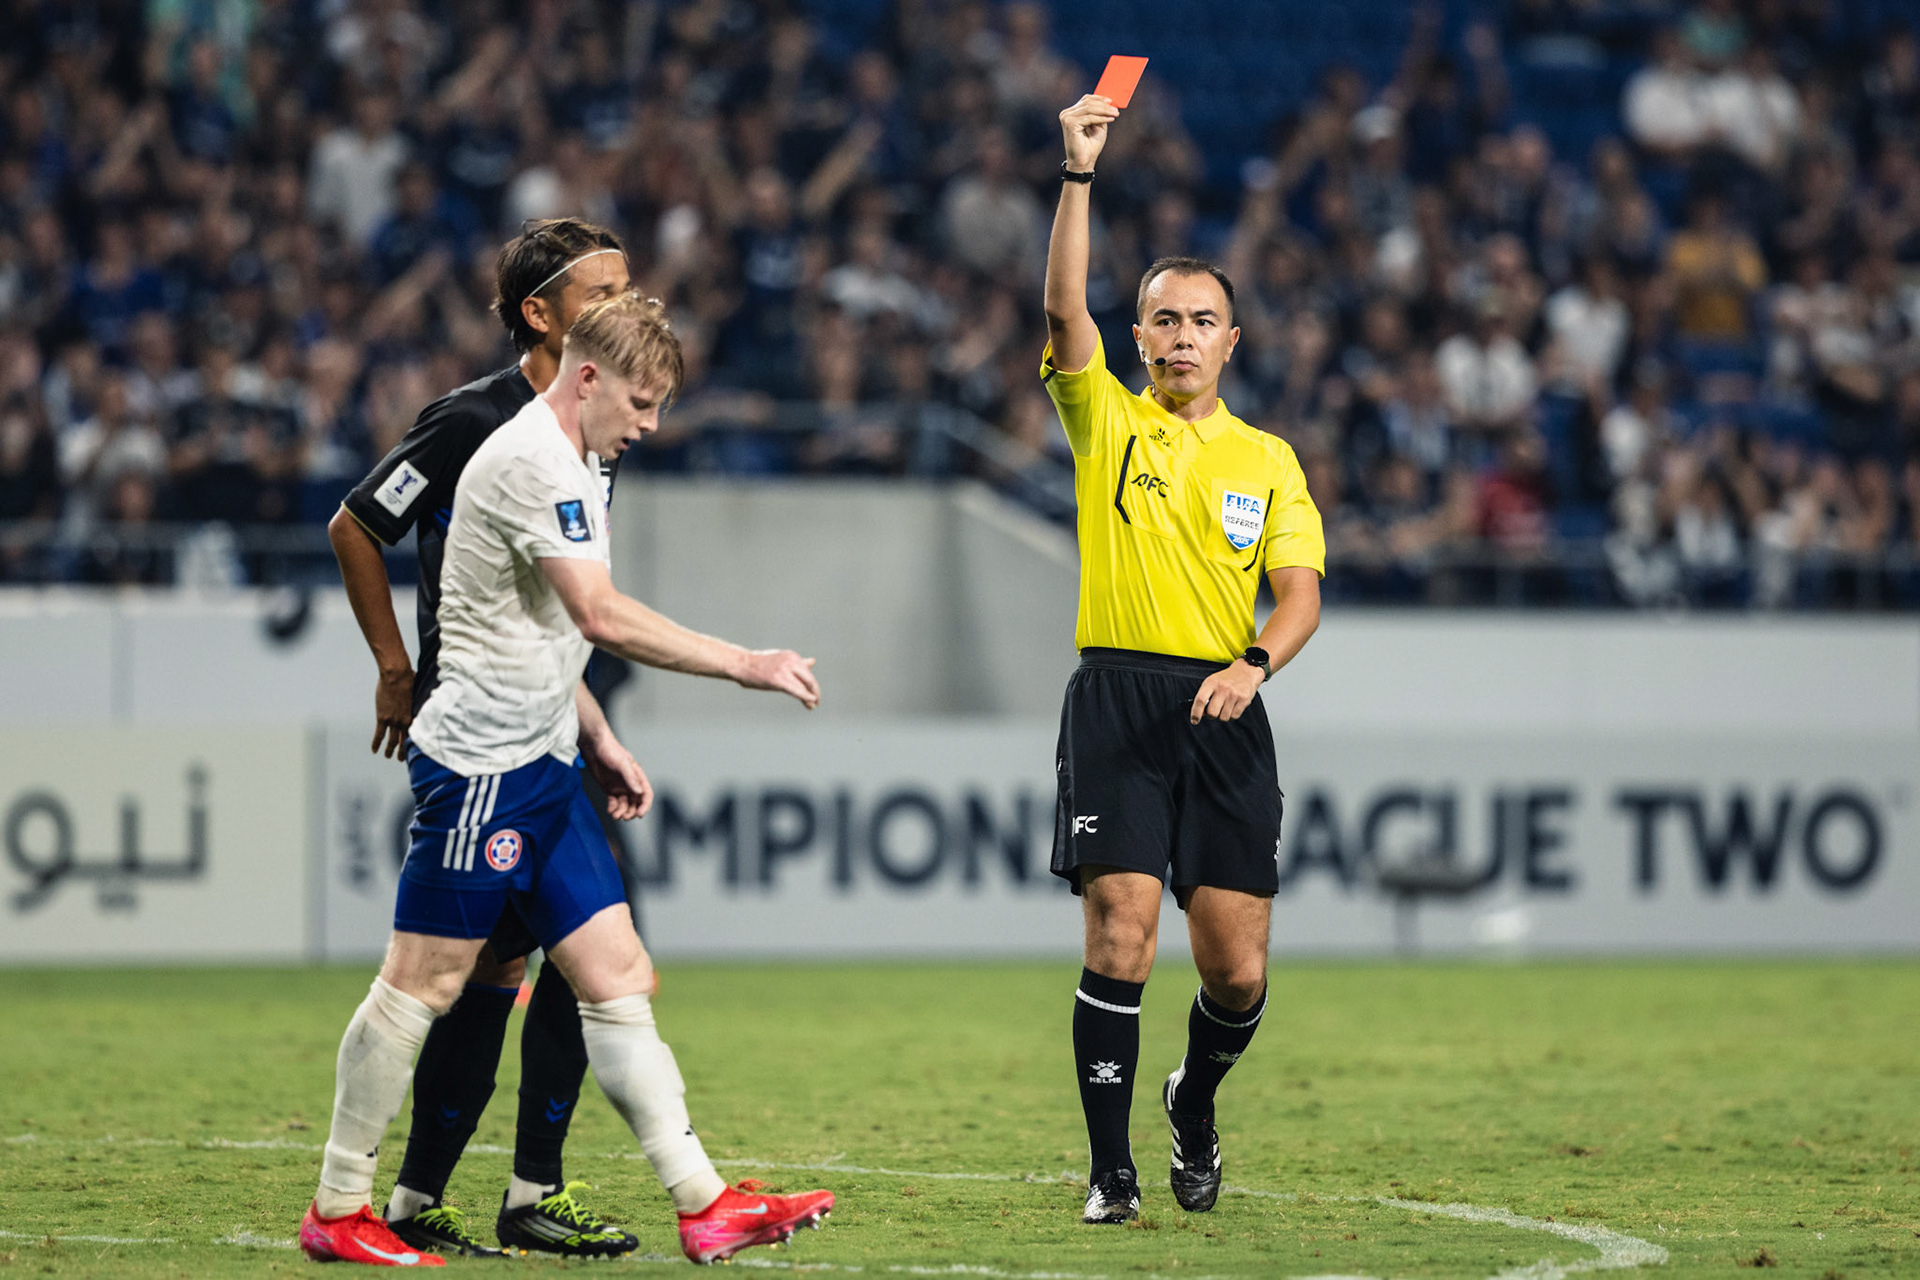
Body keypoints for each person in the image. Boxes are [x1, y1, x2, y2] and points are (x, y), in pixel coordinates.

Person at [300, 292, 835, 1267]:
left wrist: (598, 734)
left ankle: (703, 1201)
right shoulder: (529, 460)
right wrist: (745, 661)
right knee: (425, 980)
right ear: (585, 377)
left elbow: (543, 626)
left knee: (618, 973)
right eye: (642, 400)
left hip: (547, 760)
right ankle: (340, 1203)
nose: (652, 423)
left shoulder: (577, 456)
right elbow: (598, 614)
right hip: (480, 769)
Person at [328, 218, 642, 1258]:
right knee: (505, 964)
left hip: (554, 725)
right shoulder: (476, 423)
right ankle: (444, 1193)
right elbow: (358, 523)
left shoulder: (594, 413)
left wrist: (591, 717)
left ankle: (465, 1192)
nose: (627, 302)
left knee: (539, 961)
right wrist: (392, 666)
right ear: (541, 313)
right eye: (604, 289)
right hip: (484, 736)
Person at [1042, 94, 1326, 1225]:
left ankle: (1192, 1101)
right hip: (1117, 696)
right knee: (1121, 925)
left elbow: (1301, 593)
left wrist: (1256, 662)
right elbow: (1065, 303)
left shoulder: (1268, 457)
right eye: (1161, 319)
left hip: (1224, 700)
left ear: (1229, 341)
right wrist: (1078, 178)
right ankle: (1111, 1173)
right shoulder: (1106, 419)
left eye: (1200, 320)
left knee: (1236, 975)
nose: (1177, 337)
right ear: (1142, 333)